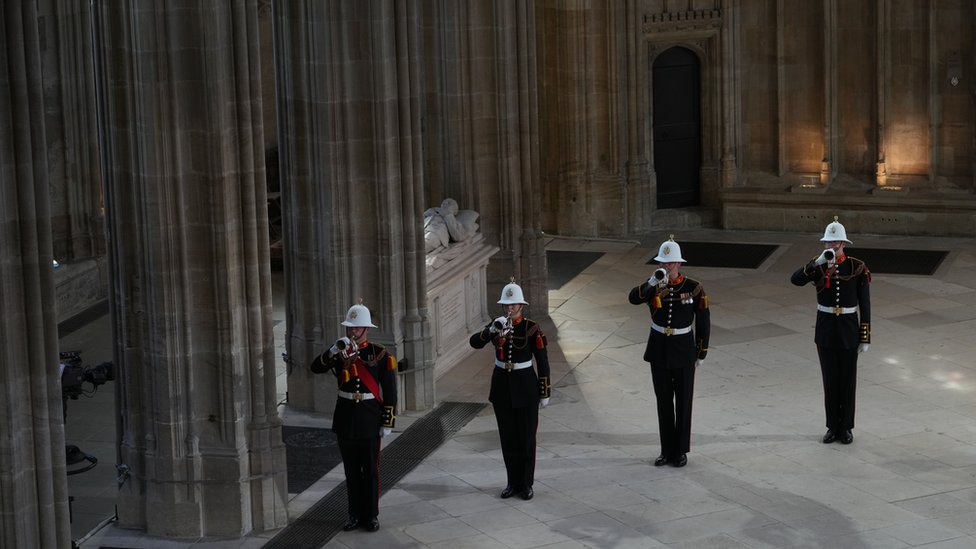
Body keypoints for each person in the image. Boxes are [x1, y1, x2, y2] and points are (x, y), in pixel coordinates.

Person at [309, 303, 397, 532]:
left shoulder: (379, 353)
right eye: (350, 328)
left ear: (366, 329)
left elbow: (390, 390)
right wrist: (332, 351)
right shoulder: (339, 352)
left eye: (357, 329)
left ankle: (371, 515)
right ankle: (354, 514)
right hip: (346, 417)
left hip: (369, 418)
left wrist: (387, 421)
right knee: (350, 471)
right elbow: (315, 368)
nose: (352, 332)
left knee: (370, 470)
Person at [629, 236, 710, 468]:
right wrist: (650, 283)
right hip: (659, 350)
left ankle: (680, 450)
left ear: (679, 264)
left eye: (670, 263)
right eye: (663, 263)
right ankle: (666, 450)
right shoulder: (654, 285)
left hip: (683, 349)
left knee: (683, 401)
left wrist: (701, 351)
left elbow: (703, 320)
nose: (666, 267)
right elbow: (633, 298)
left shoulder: (694, 288)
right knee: (663, 402)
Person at [791, 217, 871, 445]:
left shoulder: (857, 267)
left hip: (848, 328)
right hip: (826, 329)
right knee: (830, 380)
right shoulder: (818, 265)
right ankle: (831, 427)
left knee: (847, 380)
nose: (831, 247)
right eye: (828, 243)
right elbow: (795, 280)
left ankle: (845, 428)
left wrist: (865, 336)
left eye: (835, 243)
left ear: (843, 244)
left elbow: (864, 304)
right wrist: (815, 263)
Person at [469, 280, 550, 500]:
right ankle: (512, 482)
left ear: (521, 306)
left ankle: (526, 484)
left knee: (526, 438)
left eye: (513, 305)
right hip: (503, 387)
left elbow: (542, 361)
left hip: (526, 388)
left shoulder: (531, 327)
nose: (509, 309)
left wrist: (545, 391)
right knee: (508, 438)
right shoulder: (496, 325)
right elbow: (474, 343)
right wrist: (490, 331)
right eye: (506, 305)